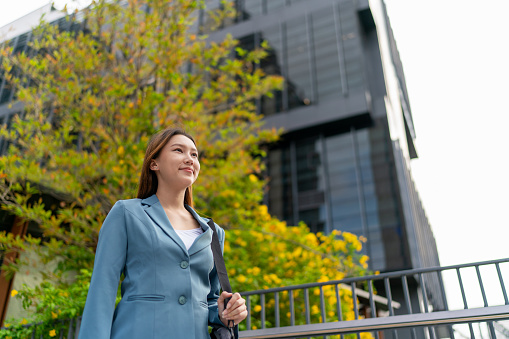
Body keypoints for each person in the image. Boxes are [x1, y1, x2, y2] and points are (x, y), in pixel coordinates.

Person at [79, 127, 247, 339]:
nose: (189, 159)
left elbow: (210, 300)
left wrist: (225, 313)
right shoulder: (126, 213)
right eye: (179, 150)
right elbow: (102, 291)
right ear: (154, 163)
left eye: (194, 154)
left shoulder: (213, 232)